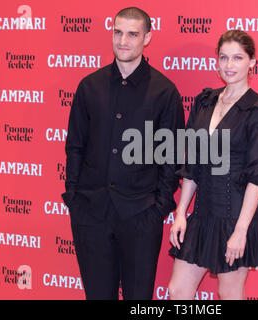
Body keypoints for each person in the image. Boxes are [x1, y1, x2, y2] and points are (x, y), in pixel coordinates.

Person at [62, 7, 185, 300]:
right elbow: (75, 146)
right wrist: (75, 198)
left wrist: (158, 209)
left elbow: (172, 158)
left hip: (141, 216)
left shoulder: (164, 92)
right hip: (91, 213)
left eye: (132, 34)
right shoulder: (89, 86)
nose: (123, 41)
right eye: (118, 32)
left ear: (147, 38)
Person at [168, 30, 258, 300]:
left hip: (236, 216)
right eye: (224, 58)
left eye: (238, 58)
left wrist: (240, 232)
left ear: (252, 62)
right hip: (203, 214)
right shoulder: (204, 102)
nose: (229, 65)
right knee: (178, 290)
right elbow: (193, 164)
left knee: (228, 293)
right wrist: (182, 211)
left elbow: (257, 177)